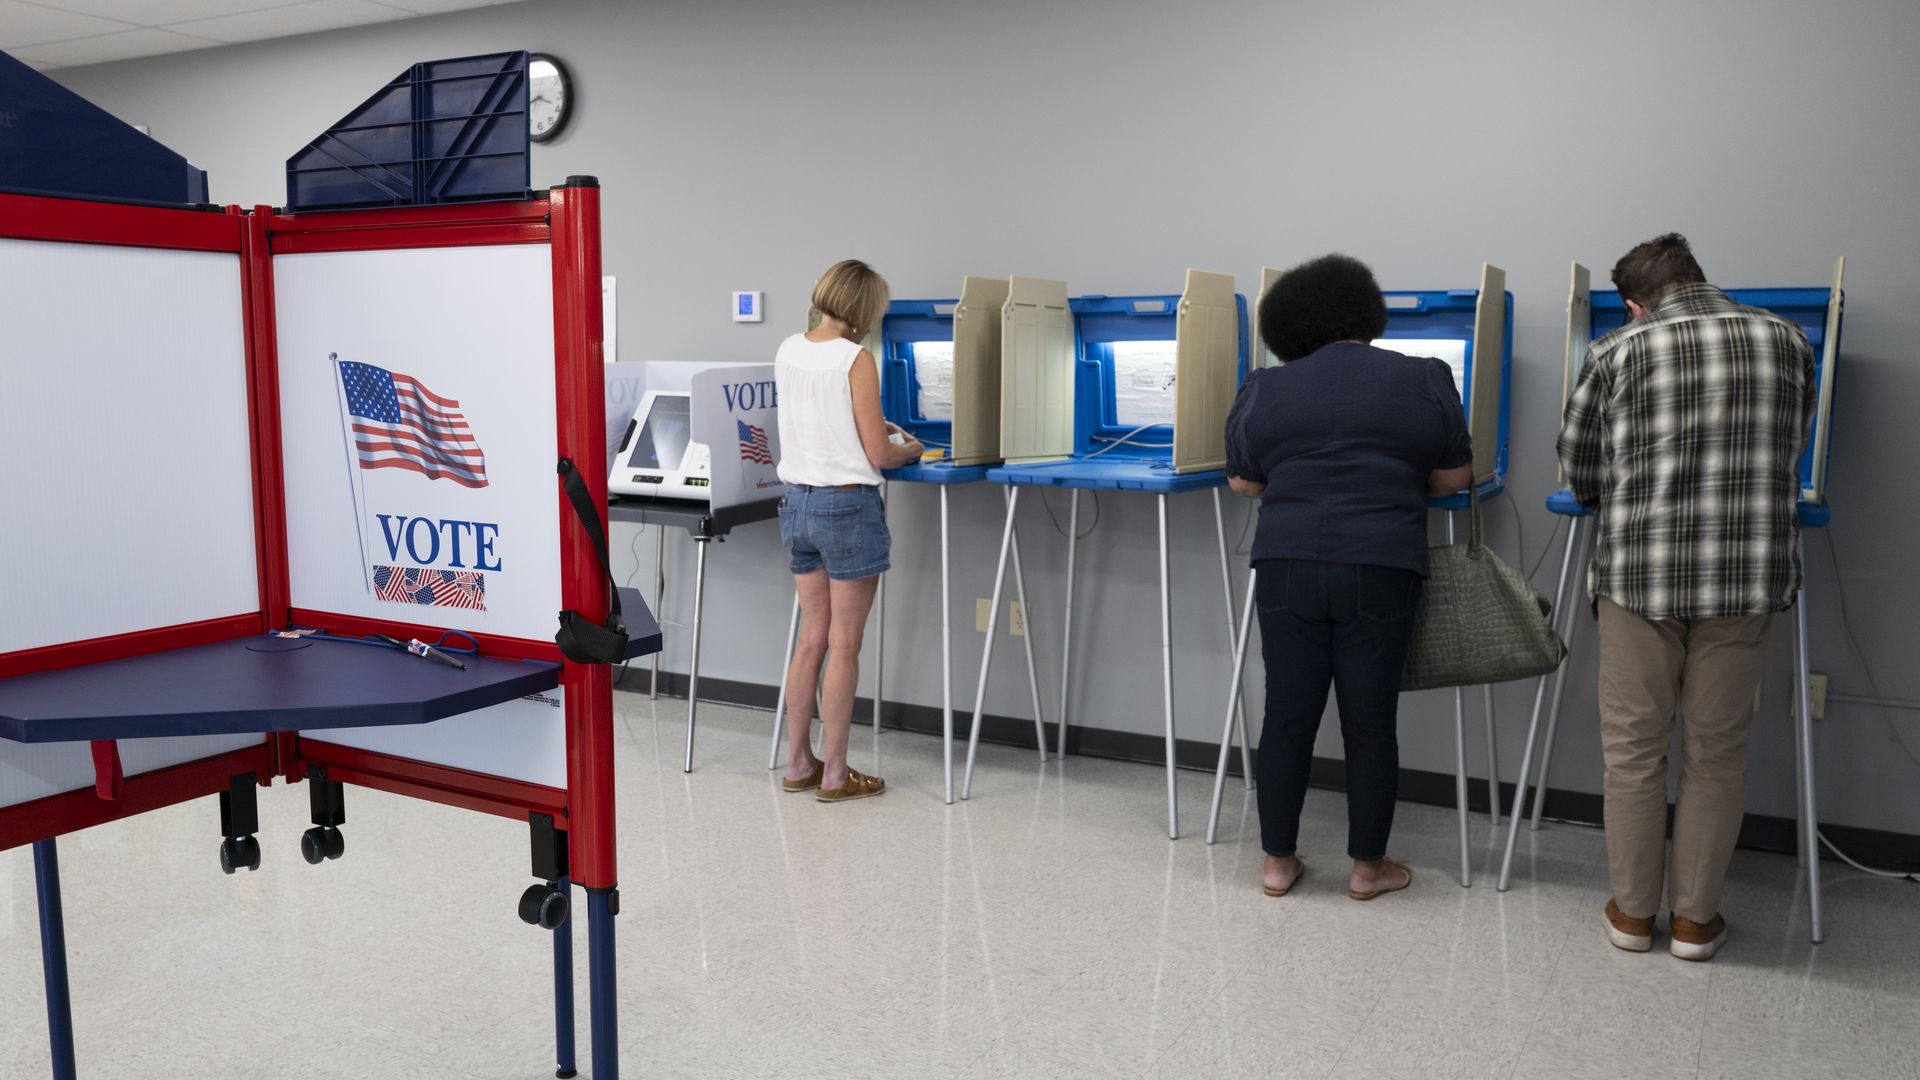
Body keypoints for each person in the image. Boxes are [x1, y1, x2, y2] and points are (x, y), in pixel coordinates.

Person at [1560, 233, 1815, 960]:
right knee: (1717, 751)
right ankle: (1698, 921)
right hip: (1747, 579)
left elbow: (1579, 468)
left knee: (1635, 750)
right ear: (1698, 279)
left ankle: (1634, 916)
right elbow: (1794, 446)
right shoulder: (1787, 340)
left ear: (1636, 303)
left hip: (1641, 577)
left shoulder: (1618, 351)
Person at [1225, 254, 1472, 901]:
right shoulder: (1425, 377)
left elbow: (1246, 480)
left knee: (1286, 715)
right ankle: (1369, 869)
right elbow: (1453, 479)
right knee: (1370, 721)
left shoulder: (1264, 387)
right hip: (1382, 563)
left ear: (1288, 324)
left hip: (1286, 564)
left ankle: (1277, 863)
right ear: (1367, 310)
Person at [773, 259, 923, 802]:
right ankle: (836, 775)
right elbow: (879, 453)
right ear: (863, 311)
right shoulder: (856, 358)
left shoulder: (789, 348)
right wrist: (912, 449)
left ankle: (797, 764)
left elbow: (815, 419)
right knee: (845, 644)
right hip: (846, 507)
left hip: (796, 506)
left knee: (812, 637)